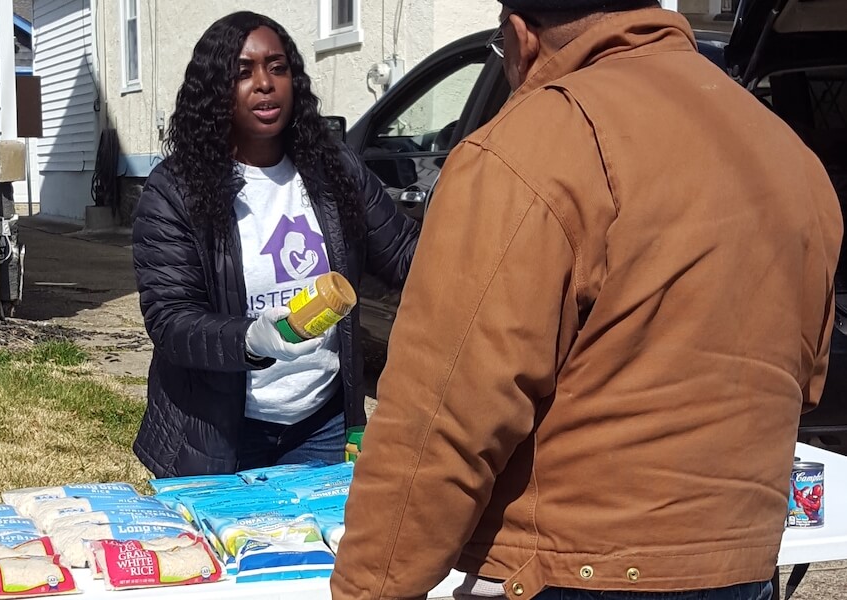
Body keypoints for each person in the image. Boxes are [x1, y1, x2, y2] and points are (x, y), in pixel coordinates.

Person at [331, 1, 843, 599]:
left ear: (520, 38)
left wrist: (371, 588)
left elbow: (440, 420)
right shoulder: (788, 154)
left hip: (574, 570)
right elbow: (803, 379)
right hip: (739, 565)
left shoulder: (534, 148)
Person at [131, 12, 419, 478]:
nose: (264, 84)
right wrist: (249, 339)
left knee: (318, 550)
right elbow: (170, 320)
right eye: (242, 73)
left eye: (277, 67)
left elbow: (407, 255)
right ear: (213, 92)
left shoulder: (333, 169)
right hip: (219, 432)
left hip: (321, 423)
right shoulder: (176, 189)